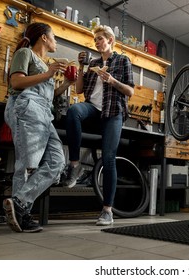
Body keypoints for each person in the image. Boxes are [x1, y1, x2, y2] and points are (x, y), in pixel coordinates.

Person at [3, 22, 76, 233]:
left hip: (44, 112)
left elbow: (48, 96)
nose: (56, 41)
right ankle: (22, 216)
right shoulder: (25, 53)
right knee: (27, 164)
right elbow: (16, 82)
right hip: (26, 106)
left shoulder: (46, 65)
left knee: (57, 163)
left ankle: (18, 203)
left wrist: (66, 85)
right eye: (53, 36)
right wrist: (49, 73)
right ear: (43, 37)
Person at [62, 25, 134, 226]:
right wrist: (82, 67)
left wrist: (112, 81)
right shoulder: (93, 63)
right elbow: (78, 90)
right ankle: (75, 165)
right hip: (93, 109)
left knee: (108, 159)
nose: (97, 42)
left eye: (100, 38)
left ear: (110, 40)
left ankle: (107, 211)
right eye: (95, 40)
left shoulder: (122, 61)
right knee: (74, 110)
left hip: (113, 113)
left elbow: (130, 92)